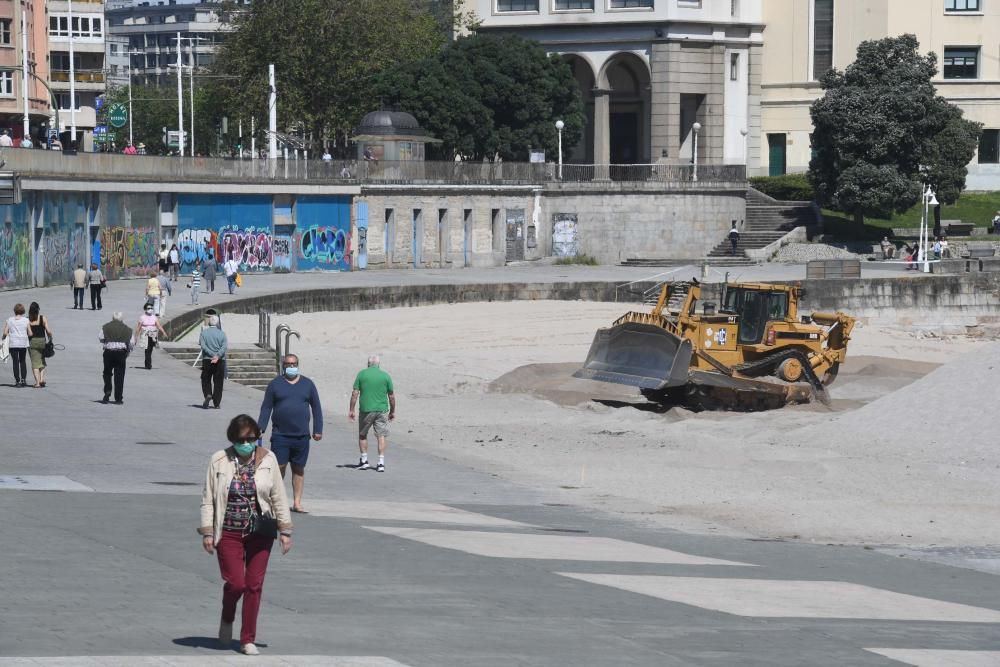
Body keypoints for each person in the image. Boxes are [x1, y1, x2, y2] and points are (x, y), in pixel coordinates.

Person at [199, 414, 292, 657]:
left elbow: (278, 496)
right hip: (228, 531)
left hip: (260, 532)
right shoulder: (219, 460)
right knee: (236, 584)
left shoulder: (268, 459)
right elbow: (208, 500)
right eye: (242, 439)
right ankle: (227, 616)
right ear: (233, 439)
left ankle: (247, 638)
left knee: (254, 585)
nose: (247, 443)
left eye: (252, 438)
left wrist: (285, 530)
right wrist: (207, 532)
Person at [258, 354, 323, 513]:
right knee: (279, 468)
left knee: (299, 469)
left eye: (293, 364)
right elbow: (267, 406)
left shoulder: (308, 384)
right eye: (287, 364)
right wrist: (261, 427)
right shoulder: (275, 384)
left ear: (298, 364)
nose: (291, 366)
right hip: (280, 434)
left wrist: (318, 429)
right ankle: (276, 500)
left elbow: (316, 408)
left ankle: (297, 502)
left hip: (302, 435)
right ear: (283, 365)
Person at [348, 354, 396, 473]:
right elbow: (391, 396)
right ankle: (381, 463)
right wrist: (392, 411)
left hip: (366, 410)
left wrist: (351, 410)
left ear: (368, 364)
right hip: (381, 410)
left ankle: (364, 461)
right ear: (378, 364)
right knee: (381, 435)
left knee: (363, 434)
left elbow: (355, 394)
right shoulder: (385, 376)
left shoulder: (362, 374)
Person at [100, 312, 133, 404]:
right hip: (121, 353)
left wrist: (107, 341)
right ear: (122, 319)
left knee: (107, 372)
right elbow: (131, 343)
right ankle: (118, 398)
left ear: (112, 318)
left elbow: (100, 338)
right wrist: (128, 351)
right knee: (119, 376)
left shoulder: (106, 326)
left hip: (108, 352)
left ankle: (107, 390)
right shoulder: (128, 329)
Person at [199, 315, 228, 409]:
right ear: (217, 323)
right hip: (220, 360)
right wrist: (217, 355)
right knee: (218, 382)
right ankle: (217, 403)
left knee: (206, 379)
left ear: (208, 322)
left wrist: (211, 354)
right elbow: (224, 347)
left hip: (207, 359)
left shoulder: (204, 333)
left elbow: (203, 346)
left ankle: (208, 394)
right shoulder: (222, 334)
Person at [3, 303, 31, 387]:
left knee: (15, 362)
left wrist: (3, 338)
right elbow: (30, 333)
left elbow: (5, 332)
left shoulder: (10, 320)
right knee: (22, 361)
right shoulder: (26, 320)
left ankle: (17, 381)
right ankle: (23, 380)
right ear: (23, 311)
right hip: (23, 343)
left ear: (15, 311)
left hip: (13, 343)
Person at [27, 302, 52, 388]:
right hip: (42, 341)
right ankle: (41, 379)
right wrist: (50, 338)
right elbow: (48, 331)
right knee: (42, 361)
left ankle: (37, 383)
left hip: (32, 342)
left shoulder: (28, 320)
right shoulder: (42, 318)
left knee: (35, 363)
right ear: (38, 309)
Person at [135, 303, 167, 370]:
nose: (150, 310)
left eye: (151, 308)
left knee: (150, 350)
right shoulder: (142, 317)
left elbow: (158, 325)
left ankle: (147, 363)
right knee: (147, 350)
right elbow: (138, 328)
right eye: (148, 308)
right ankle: (148, 365)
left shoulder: (154, 317)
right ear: (145, 309)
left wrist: (163, 332)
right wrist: (135, 338)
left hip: (153, 335)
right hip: (145, 335)